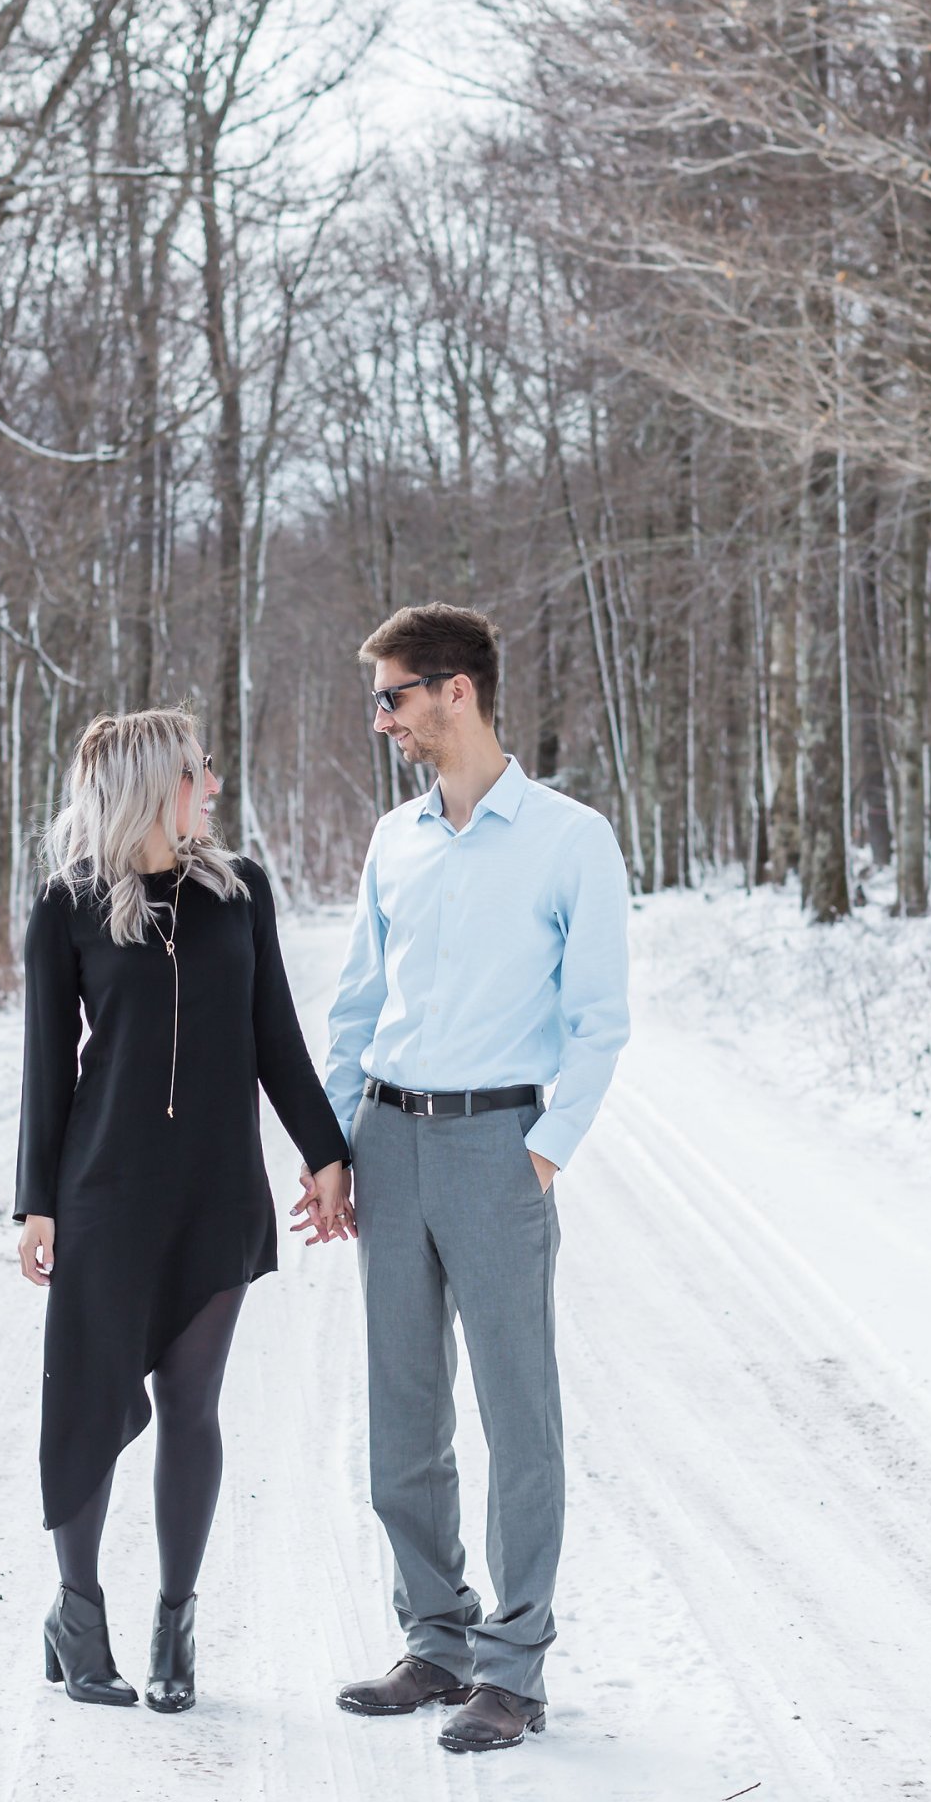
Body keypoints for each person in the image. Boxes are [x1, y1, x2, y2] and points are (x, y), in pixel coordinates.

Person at [318, 603, 632, 1754]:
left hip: (500, 1144)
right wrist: (338, 1147)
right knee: (402, 1409)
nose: (384, 719)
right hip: (391, 1141)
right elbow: (358, 1002)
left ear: (459, 690)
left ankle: (514, 1665)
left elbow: (602, 1021)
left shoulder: (567, 837)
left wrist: (544, 1151)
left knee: (518, 1412)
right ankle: (434, 1639)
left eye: (393, 696)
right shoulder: (394, 839)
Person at [14, 708, 356, 1713]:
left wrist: (326, 1150)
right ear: (153, 783)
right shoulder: (67, 906)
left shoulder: (240, 892)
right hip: (105, 1192)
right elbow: (44, 1066)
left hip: (214, 1190)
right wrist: (36, 1204)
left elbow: (276, 1038)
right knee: (87, 1398)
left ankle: (175, 1621)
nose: (213, 781)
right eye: (198, 768)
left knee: (193, 1405)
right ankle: (77, 1613)